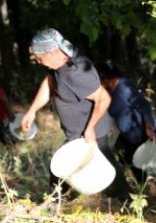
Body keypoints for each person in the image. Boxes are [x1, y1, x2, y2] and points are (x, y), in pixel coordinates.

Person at [21, 28, 130, 199]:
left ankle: (57, 203)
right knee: (87, 169)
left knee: (65, 170)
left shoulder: (74, 73)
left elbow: (104, 98)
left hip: (89, 131)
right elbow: (50, 82)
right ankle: (62, 201)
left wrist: (90, 129)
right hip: (78, 131)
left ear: (53, 51)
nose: (39, 62)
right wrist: (32, 110)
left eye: (40, 58)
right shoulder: (59, 63)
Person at [95, 61, 156, 184]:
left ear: (108, 78)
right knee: (121, 153)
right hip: (129, 132)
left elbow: (144, 105)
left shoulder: (124, 88)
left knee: (131, 158)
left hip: (140, 130)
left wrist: (149, 128)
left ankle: (146, 186)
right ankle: (142, 184)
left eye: (101, 81)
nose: (100, 85)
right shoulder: (111, 91)